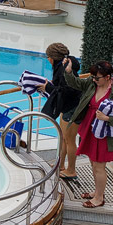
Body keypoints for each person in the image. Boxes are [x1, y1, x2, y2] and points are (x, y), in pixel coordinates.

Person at [63, 58, 113, 208]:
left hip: (104, 134)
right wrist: (68, 72)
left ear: (107, 77)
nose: (94, 80)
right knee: (92, 163)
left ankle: (99, 198)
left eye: (97, 78)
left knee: (99, 166)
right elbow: (75, 83)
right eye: (93, 77)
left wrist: (108, 118)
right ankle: (97, 192)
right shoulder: (92, 83)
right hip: (90, 128)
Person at [35, 43, 81, 181]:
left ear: (53, 58)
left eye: (48, 57)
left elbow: (67, 90)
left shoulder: (63, 69)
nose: (48, 59)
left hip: (73, 107)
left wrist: (48, 88)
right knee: (63, 137)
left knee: (70, 140)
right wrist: (51, 85)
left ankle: (71, 170)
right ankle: (60, 165)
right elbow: (62, 86)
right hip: (67, 106)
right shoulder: (64, 65)